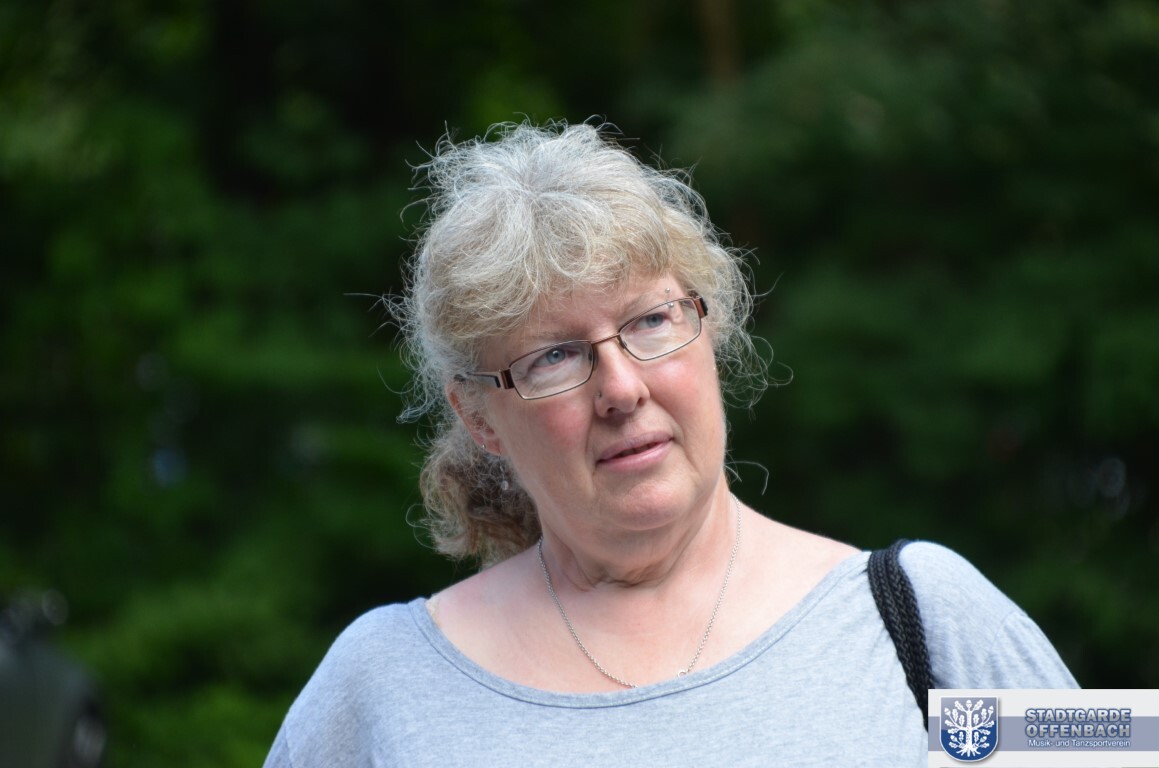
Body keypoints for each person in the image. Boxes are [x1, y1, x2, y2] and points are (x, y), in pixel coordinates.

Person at [263, 120, 1075, 767]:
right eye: (555, 356)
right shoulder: (385, 685)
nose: (621, 388)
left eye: (651, 320)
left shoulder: (917, 621)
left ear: (709, 329)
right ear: (479, 417)